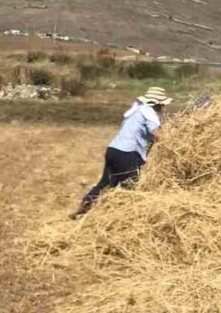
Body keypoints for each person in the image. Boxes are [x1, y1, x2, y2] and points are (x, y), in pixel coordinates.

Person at [73, 86, 172, 217]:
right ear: (157, 104)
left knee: (106, 182)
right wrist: (172, 140)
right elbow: (157, 134)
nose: (163, 108)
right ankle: (124, 218)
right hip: (127, 153)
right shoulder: (149, 113)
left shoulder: (136, 110)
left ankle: (85, 206)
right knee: (131, 187)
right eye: (162, 105)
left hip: (113, 150)